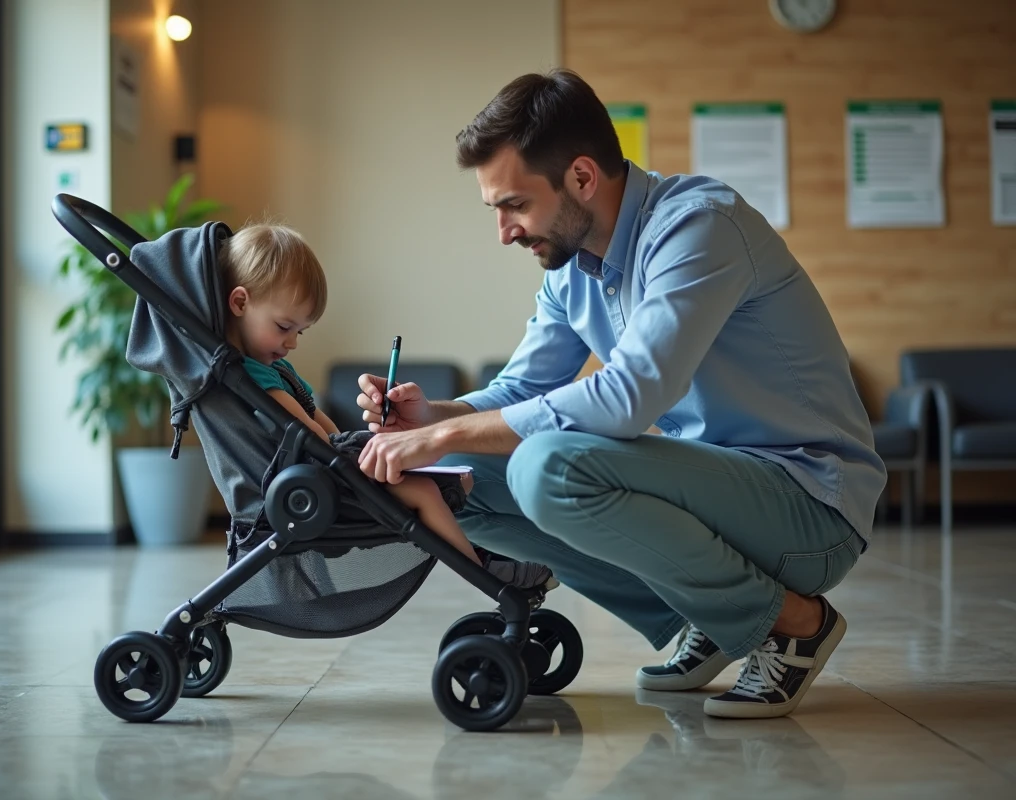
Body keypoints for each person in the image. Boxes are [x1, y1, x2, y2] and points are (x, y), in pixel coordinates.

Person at [354, 69, 885, 719]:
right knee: (449, 479)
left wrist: (446, 432)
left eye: (514, 204)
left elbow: (632, 396)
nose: (505, 232)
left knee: (548, 466)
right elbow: (526, 385)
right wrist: (434, 418)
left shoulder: (698, 227)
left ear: (581, 178)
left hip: (809, 507)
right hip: (720, 493)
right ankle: (704, 618)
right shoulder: (570, 265)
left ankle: (796, 624)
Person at [219, 222, 557, 591]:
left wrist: (350, 443)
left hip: (322, 469)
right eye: (285, 327)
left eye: (300, 332)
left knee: (444, 476)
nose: (292, 343)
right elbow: (305, 432)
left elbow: (319, 421)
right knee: (424, 491)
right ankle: (485, 573)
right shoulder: (253, 377)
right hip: (313, 482)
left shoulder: (273, 368)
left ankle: (485, 559)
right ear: (239, 303)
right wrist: (350, 451)